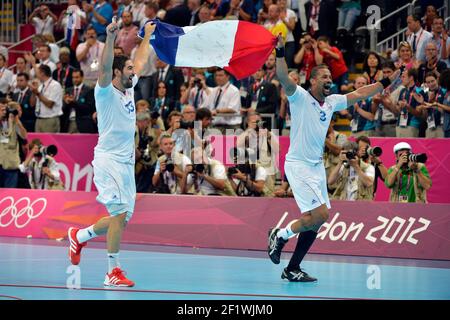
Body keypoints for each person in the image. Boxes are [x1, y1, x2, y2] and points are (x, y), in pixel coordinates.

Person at [267, 34, 399, 282]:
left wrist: (386, 81)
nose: (330, 80)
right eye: (324, 77)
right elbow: (283, 77)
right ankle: (280, 234)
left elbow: (361, 93)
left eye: (330, 76)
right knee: (320, 216)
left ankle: (293, 268)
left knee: (314, 222)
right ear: (312, 80)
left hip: (316, 167)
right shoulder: (300, 97)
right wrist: (281, 51)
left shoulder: (331, 102)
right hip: (298, 165)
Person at [67, 20, 156, 287]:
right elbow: (105, 66)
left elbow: (139, 61)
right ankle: (112, 271)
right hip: (109, 160)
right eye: (127, 69)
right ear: (117, 73)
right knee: (118, 215)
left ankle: (79, 236)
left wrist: (148, 36)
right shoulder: (105, 92)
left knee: (122, 219)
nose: (134, 72)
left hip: (126, 163)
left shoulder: (129, 88)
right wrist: (110, 37)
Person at [0, 99, 27, 188]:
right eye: (2, 110)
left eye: (5, 110)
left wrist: (16, 120)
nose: (4, 112)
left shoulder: (14, 123)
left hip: (10, 165)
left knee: (9, 193)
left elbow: (24, 136)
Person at [30, 65, 63, 133]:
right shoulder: (41, 86)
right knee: (38, 143)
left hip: (50, 120)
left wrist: (38, 93)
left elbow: (49, 104)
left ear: (42, 73)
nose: (36, 75)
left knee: (49, 143)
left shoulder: (55, 85)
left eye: (37, 73)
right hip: (39, 119)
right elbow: (32, 104)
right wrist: (33, 92)